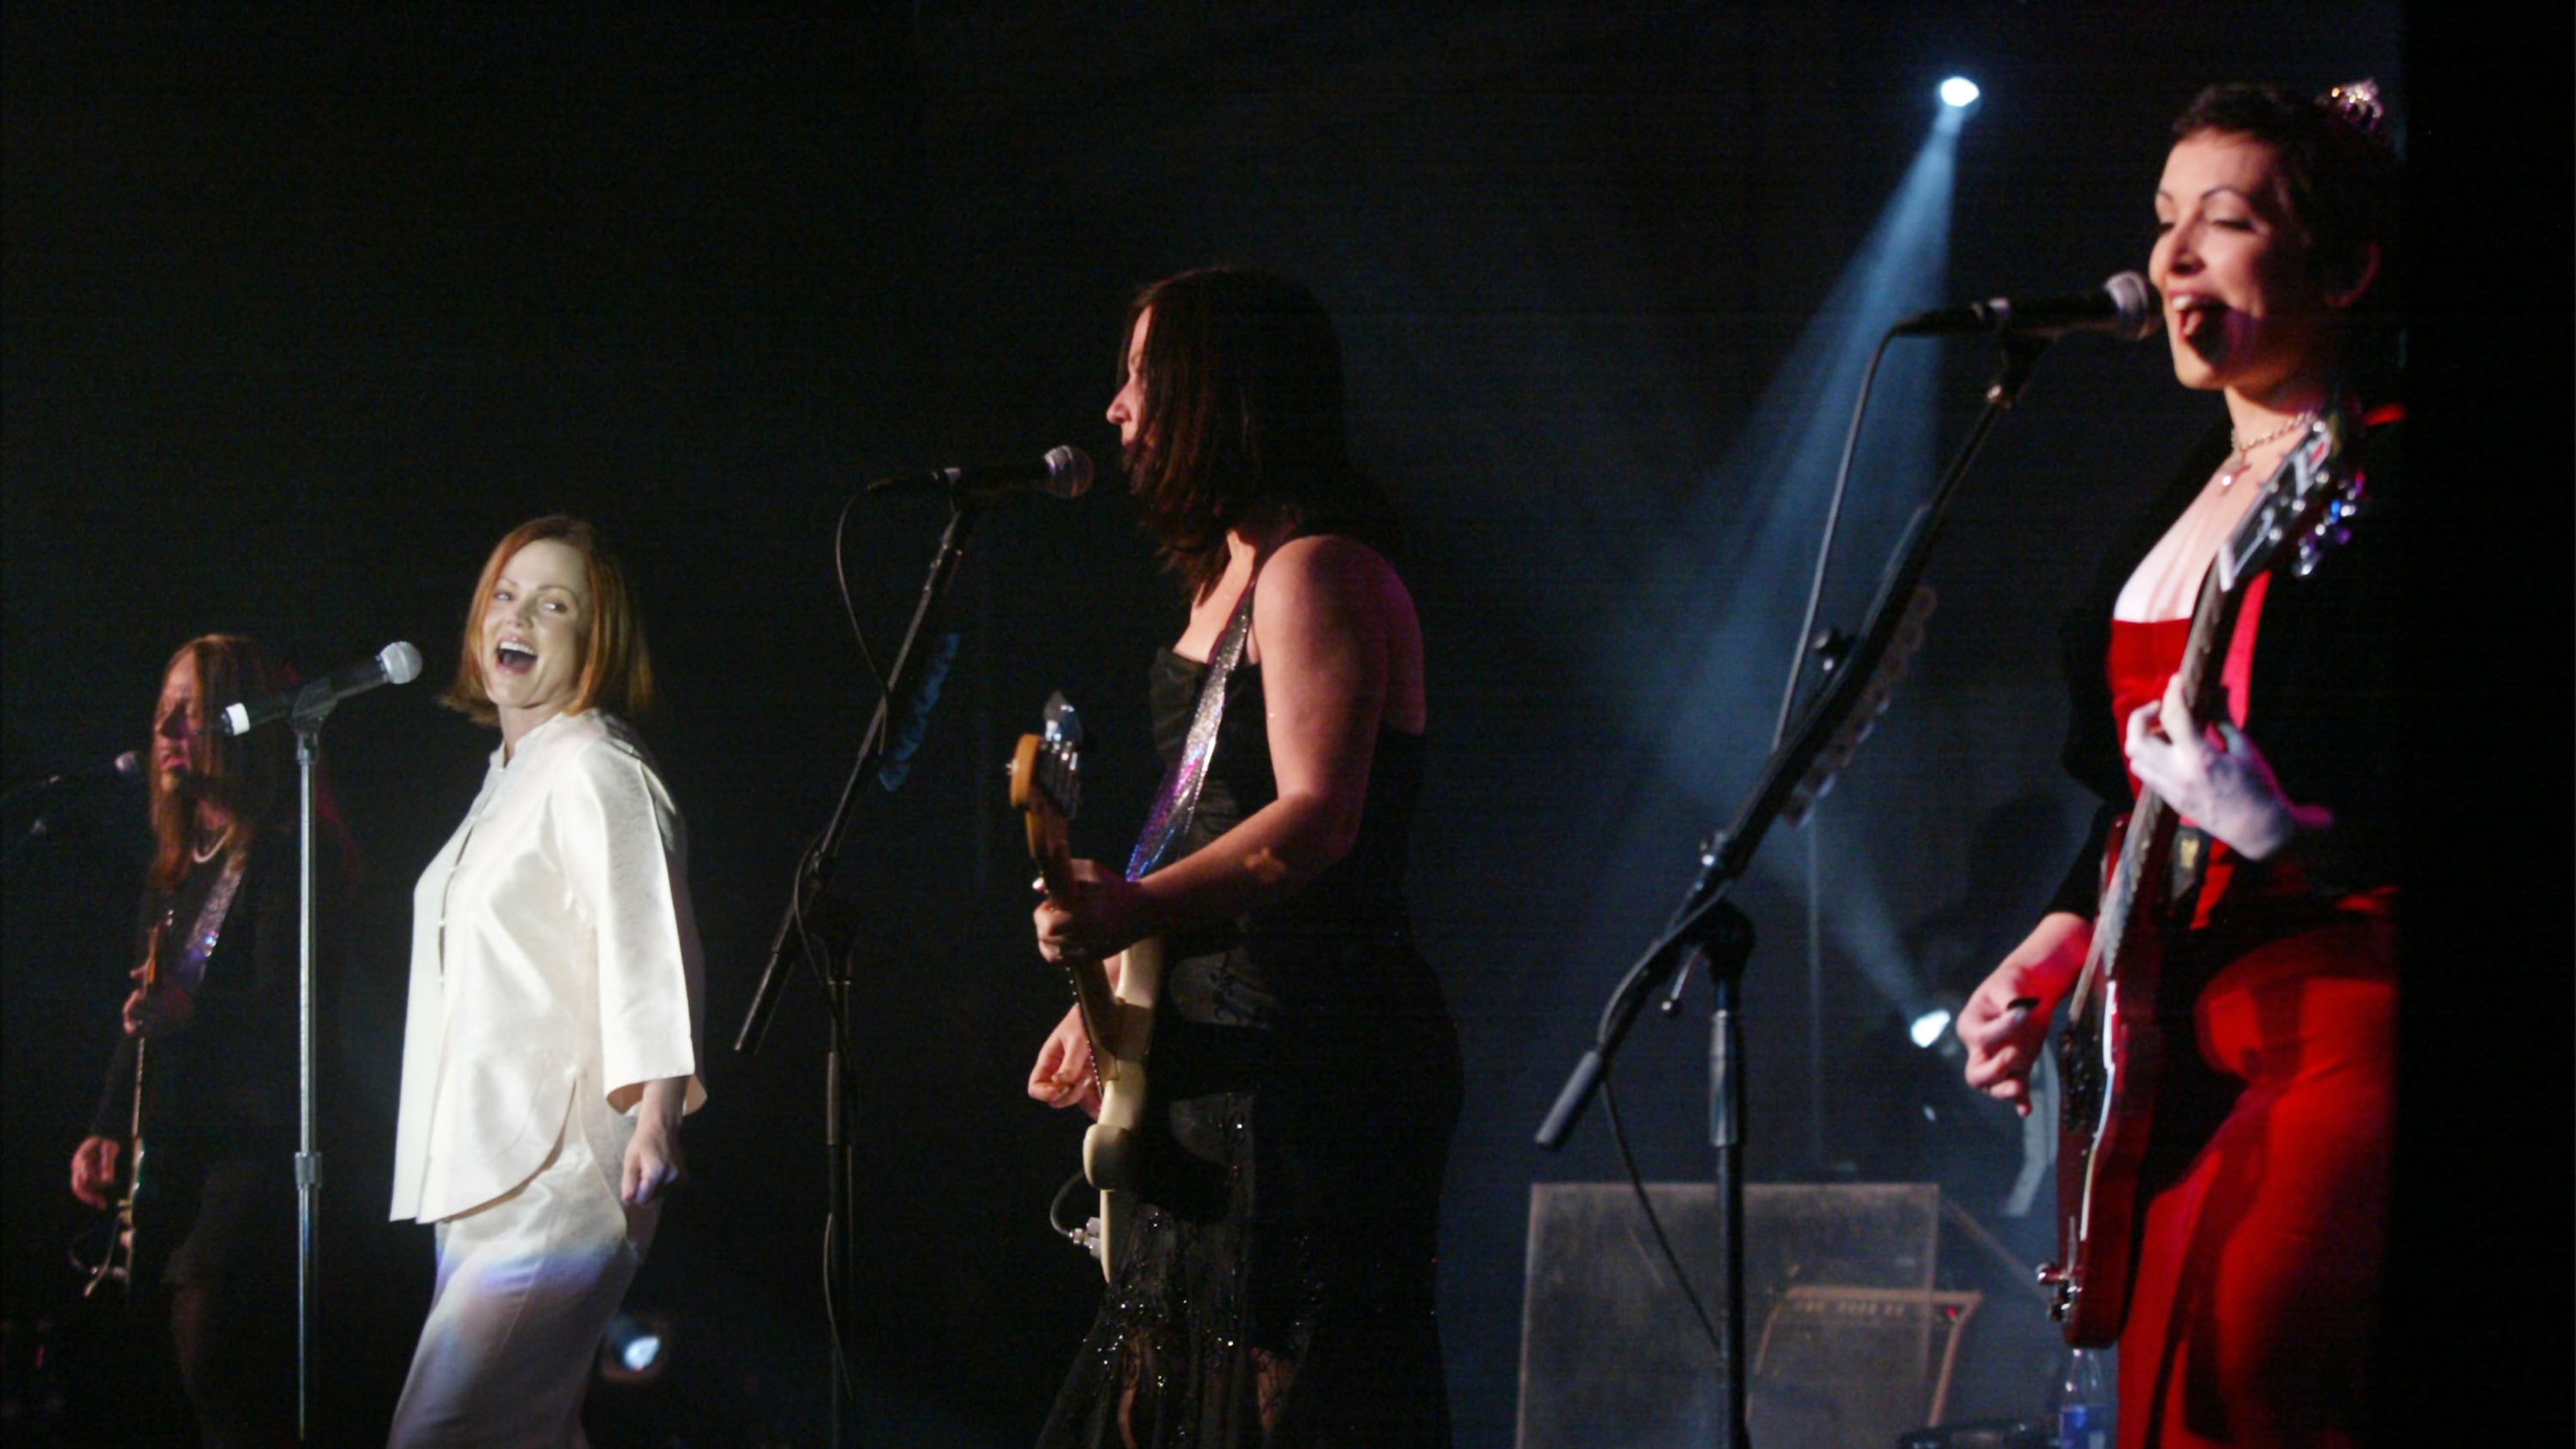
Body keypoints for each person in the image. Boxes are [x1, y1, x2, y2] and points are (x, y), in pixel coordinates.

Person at [1955, 83, 2403, 1448]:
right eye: (2164, 225)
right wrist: (2049, 945)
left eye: (2224, 223)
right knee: (2160, 1399)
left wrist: (2292, 827)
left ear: (2343, 268)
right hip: (2161, 1039)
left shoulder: (2379, 479)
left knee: (2253, 1393)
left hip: (2337, 1015)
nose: (2170, 263)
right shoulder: (2184, 495)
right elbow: (2127, 791)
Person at [1025, 266, 1462, 1448]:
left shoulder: (1316, 569)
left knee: (1288, 1393)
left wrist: (1131, 912)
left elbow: (1317, 820)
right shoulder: (1225, 580)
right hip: (1217, 1039)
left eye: (1141, 377)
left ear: (1223, 391)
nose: (1116, 408)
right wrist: (1120, 986)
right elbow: (1211, 817)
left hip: (1311, 1045)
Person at [387, 516, 705, 1446]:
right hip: (486, 1171)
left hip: (560, 1172)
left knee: (440, 1433)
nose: (519, 614)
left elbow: (651, 935)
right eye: (506, 594)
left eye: (554, 602)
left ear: (594, 637)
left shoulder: (597, 765)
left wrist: (658, 1112)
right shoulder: (510, 777)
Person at [69, 634, 322, 1448]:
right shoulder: (175, 867)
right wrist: (108, 1125)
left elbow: (298, 1013)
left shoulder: (286, 854)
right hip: (179, 1142)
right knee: (161, 1366)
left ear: (242, 723)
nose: (171, 729)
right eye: (163, 712)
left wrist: (194, 1016)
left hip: (255, 1146)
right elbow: (145, 1008)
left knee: (212, 1349)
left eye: (195, 711)